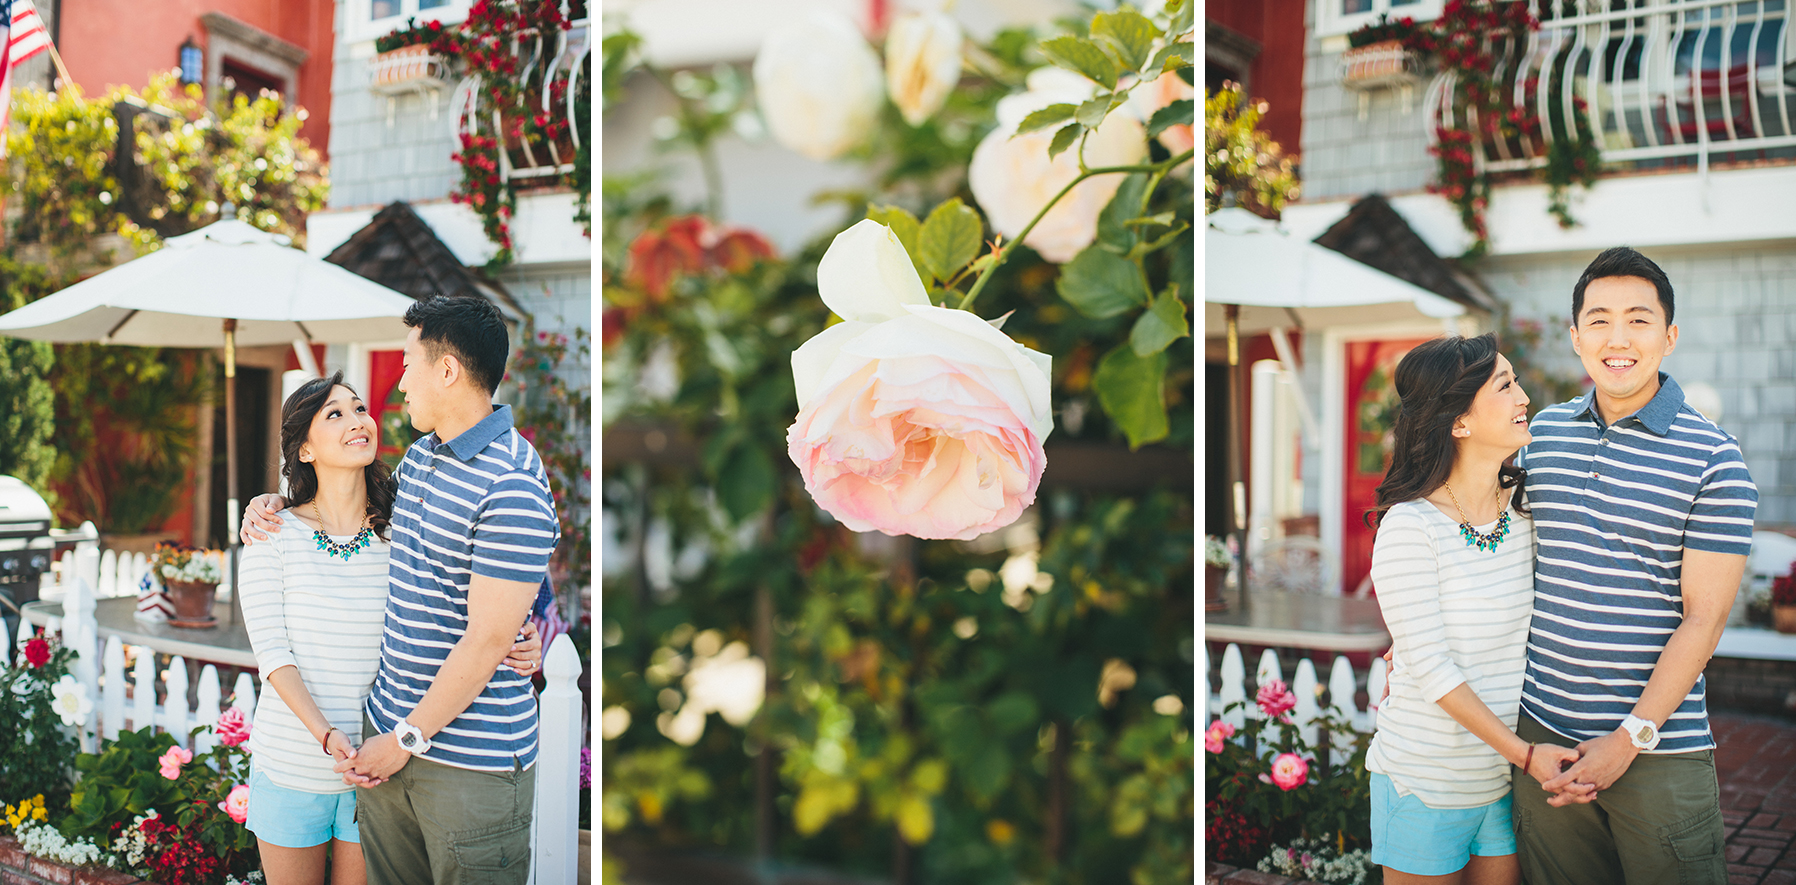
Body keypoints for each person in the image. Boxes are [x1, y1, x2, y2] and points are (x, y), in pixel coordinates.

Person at [242, 295, 560, 885]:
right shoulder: (419, 463)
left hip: (458, 760)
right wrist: (277, 504)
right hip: (379, 757)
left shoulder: (511, 481)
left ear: (447, 370)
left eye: (408, 366)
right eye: (336, 414)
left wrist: (512, 638)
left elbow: (490, 630)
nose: (400, 384)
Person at [1510, 247, 1756, 885]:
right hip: (1544, 740)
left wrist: (1629, 739)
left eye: (1639, 320)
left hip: (1658, 751)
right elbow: (1490, 551)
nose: (1617, 339)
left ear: (1669, 336)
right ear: (1576, 337)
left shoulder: (1715, 459)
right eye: (1599, 320)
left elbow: (1705, 619)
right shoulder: (1541, 436)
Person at [1364, 333, 1592, 885]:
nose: (1524, 397)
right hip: (1425, 780)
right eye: (1505, 385)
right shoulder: (1411, 527)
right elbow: (1434, 670)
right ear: (1459, 422)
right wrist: (1527, 756)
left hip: (1499, 781)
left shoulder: (1526, 513)